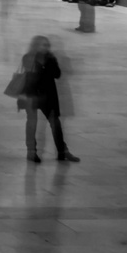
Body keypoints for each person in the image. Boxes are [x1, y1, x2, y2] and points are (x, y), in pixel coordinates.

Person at [17, 35, 78, 163]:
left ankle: (62, 151)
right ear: (36, 45)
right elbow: (29, 76)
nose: (46, 47)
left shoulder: (51, 58)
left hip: (48, 95)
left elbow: (57, 74)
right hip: (32, 95)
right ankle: (31, 152)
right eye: (43, 45)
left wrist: (50, 63)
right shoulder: (28, 57)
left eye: (47, 45)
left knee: (55, 123)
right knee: (32, 124)